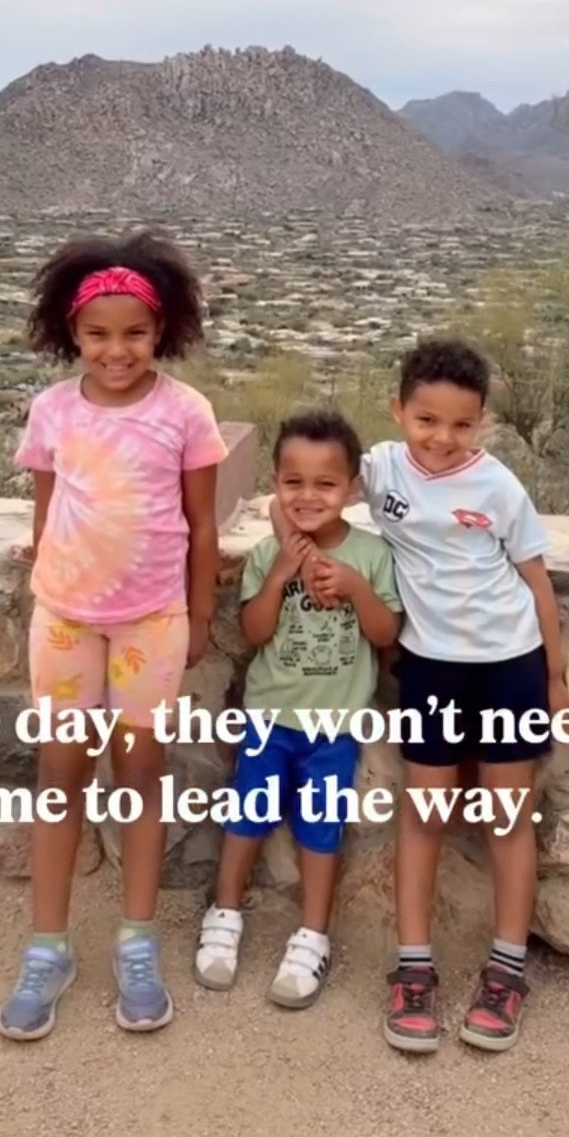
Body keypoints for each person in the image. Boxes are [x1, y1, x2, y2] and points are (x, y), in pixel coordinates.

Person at [271, 339, 567, 1055]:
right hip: (431, 666)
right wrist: (309, 561)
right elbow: (295, 498)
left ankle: (504, 970)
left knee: (506, 816)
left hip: (509, 665)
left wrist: (554, 679)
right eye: (426, 420)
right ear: (398, 410)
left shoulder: (499, 489)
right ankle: (413, 969)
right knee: (425, 813)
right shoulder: (377, 467)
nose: (441, 438)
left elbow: (537, 582)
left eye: (460, 425)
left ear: (483, 423)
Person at [0, 230, 227, 1042]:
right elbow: (46, 502)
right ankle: (48, 947)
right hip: (63, 615)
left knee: (141, 774)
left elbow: (203, 523)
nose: (116, 350)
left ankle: (137, 941)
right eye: (97, 334)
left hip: (151, 621)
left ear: (161, 330)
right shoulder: (53, 409)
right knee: (60, 775)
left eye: (133, 333)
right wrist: (43, 558)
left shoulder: (185, 413)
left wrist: (198, 617)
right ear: (71, 333)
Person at [195, 411, 402, 1008]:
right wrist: (285, 569)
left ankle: (313, 935)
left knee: (320, 829)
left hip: (333, 726)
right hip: (269, 719)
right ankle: (225, 913)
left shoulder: (370, 556)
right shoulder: (269, 556)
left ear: (352, 487)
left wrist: (356, 590)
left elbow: (387, 633)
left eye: (325, 483)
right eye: (294, 482)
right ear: (277, 483)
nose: (308, 495)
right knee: (247, 818)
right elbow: (255, 631)